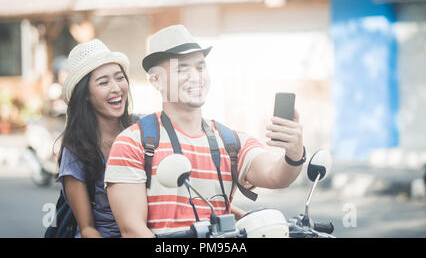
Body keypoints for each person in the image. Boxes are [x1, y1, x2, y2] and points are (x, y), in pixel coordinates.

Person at [105, 25, 306, 237]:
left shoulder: (230, 141)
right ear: (156, 80)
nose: (195, 77)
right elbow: (132, 230)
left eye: (200, 67)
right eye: (182, 69)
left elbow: (276, 176)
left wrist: (293, 154)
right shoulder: (132, 143)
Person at [57, 39, 136, 238]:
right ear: (85, 94)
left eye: (120, 78)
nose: (116, 88)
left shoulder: (143, 129)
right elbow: (87, 229)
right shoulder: (75, 150)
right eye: (103, 82)